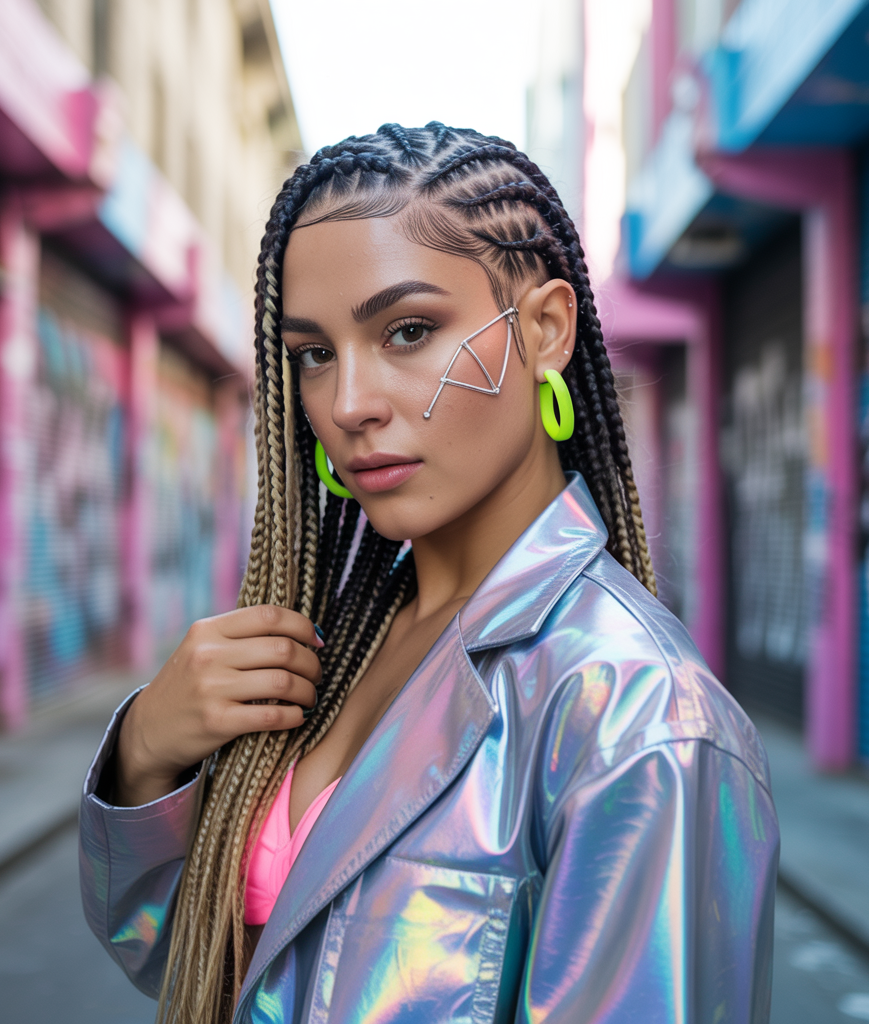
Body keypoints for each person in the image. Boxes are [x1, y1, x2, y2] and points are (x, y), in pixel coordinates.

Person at [80, 123, 779, 1024]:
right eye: (314, 353)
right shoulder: (335, 643)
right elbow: (189, 960)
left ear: (546, 329)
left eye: (408, 331)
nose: (348, 403)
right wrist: (146, 753)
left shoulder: (637, 717)